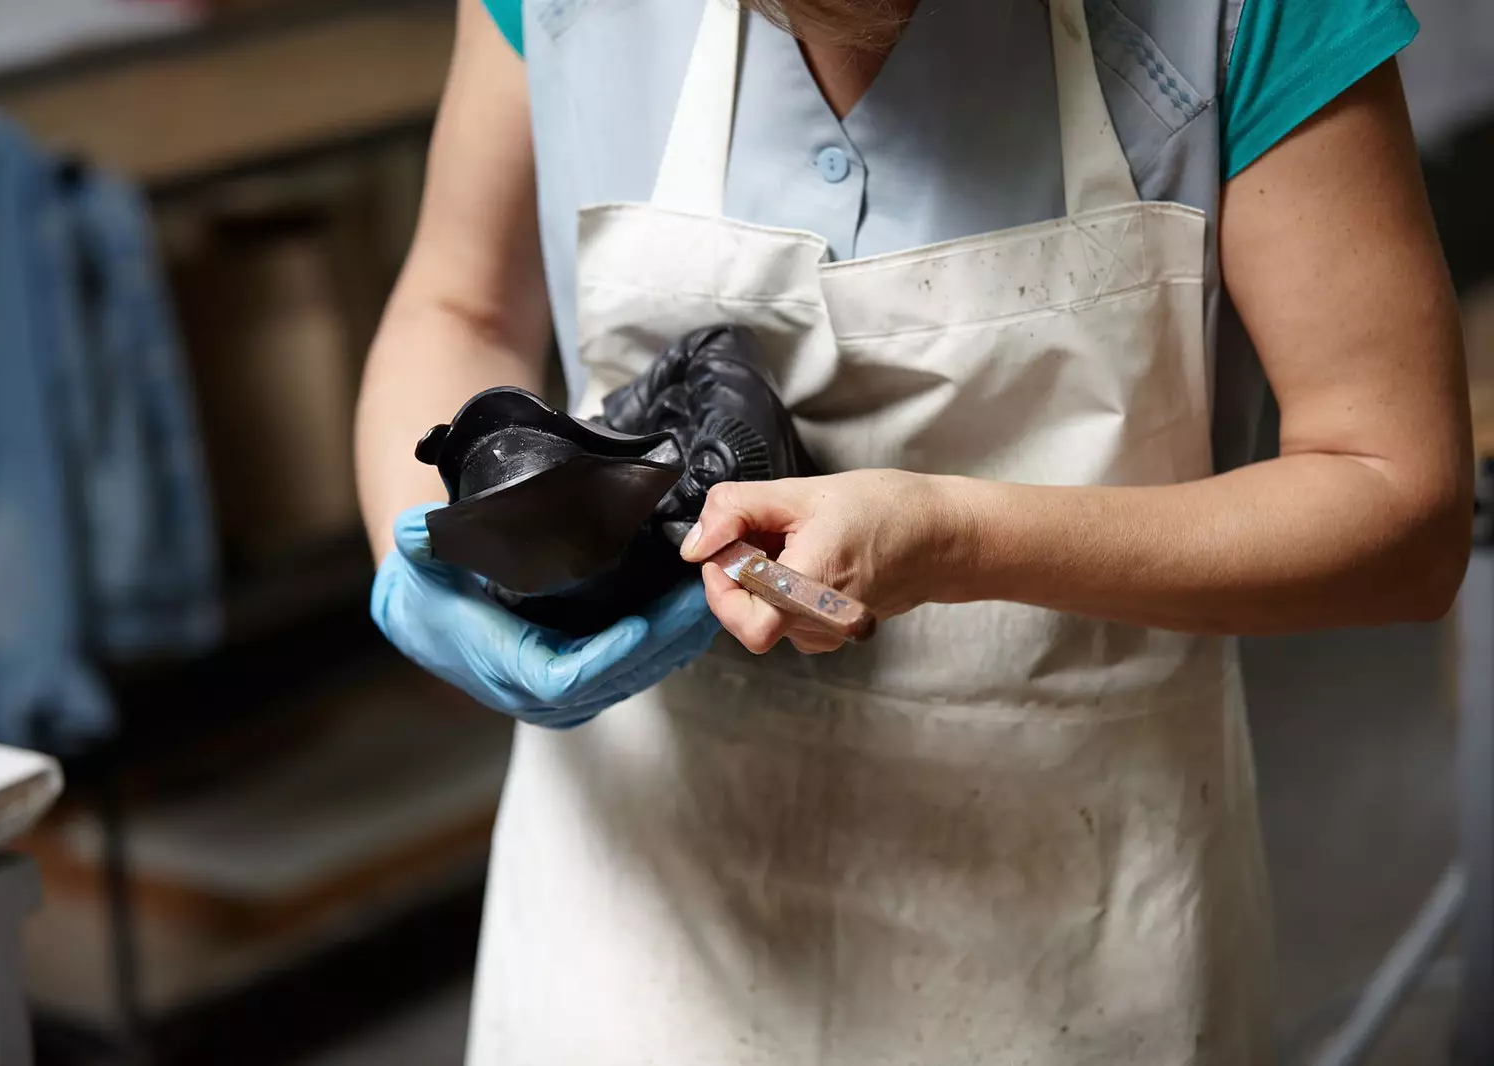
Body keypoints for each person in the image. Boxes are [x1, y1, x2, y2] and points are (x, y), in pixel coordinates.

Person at [356, 0, 1471, 1055]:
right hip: (634, 920)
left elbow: (1397, 503)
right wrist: (434, 566)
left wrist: (962, 537)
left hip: (1075, 941)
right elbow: (458, 304)